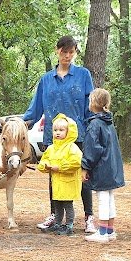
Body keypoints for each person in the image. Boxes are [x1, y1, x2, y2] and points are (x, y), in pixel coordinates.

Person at [23, 35, 96, 233]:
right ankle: (55, 215)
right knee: (54, 175)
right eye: (64, 52)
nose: (67, 56)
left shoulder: (83, 75)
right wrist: (20, 122)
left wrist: (95, 127)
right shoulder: (46, 79)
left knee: (82, 175)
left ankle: (89, 216)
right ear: (57, 51)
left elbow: (91, 105)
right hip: (52, 138)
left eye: (71, 52)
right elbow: (35, 109)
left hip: (77, 137)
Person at [81, 88, 125, 243]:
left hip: (102, 168)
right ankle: (110, 230)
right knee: (110, 197)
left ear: (94, 103)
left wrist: (85, 166)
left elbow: (93, 149)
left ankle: (102, 233)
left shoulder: (95, 124)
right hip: (112, 167)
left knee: (103, 198)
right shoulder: (109, 123)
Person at [36, 114, 83, 235]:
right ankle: (57, 224)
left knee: (68, 205)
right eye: (55, 130)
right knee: (57, 205)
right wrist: (46, 166)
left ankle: (69, 226)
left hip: (68, 183)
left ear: (69, 131)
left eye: (61, 130)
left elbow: (76, 162)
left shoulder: (72, 147)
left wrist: (60, 167)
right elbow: (43, 161)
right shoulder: (51, 148)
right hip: (56, 184)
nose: (58, 133)